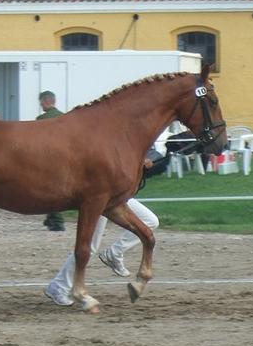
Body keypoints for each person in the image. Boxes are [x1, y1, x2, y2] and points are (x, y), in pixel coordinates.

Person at [45, 158, 162, 306]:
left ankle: (114, 253)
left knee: (150, 221)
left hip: (118, 196)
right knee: (90, 245)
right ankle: (59, 287)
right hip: (101, 196)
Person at [36, 90, 65, 231]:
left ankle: (56, 220)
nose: (40, 104)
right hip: (65, 158)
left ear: (46, 101)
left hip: (47, 158)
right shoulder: (65, 117)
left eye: (41, 101)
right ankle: (52, 218)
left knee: (50, 189)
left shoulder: (41, 119)